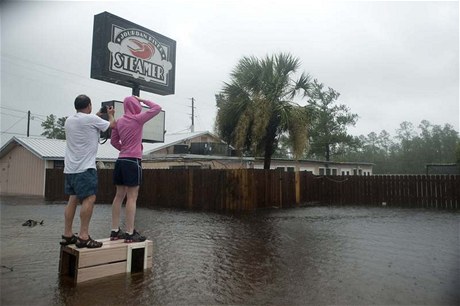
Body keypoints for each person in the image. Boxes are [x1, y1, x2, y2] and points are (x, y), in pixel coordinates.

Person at [60, 94, 116, 248]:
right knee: (89, 199)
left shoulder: (69, 120)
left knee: (73, 199)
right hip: (85, 169)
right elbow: (112, 126)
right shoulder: (91, 120)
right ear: (89, 105)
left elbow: (86, 121)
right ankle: (84, 236)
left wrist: (96, 115)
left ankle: (68, 234)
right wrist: (110, 115)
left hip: (70, 169)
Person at [110, 95, 162, 243]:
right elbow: (157, 108)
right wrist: (142, 100)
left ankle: (114, 231)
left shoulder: (118, 122)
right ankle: (129, 232)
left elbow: (114, 141)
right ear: (135, 105)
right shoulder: (138, 119)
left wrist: (124, 148)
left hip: (120, 160)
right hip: (133, 161)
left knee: (119, 195)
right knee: (132, 197)